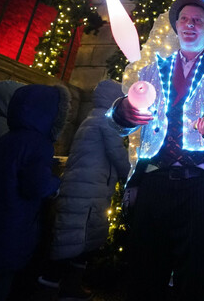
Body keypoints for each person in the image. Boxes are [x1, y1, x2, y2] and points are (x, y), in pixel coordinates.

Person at [107, 0, 204, 301]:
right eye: (184, 19)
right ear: (176, 26)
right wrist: (123, 111)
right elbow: (123, 120)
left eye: (197, 20)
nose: (189, 25)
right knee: (144, 277)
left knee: (196, 279)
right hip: (155, 184)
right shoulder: (151, 69)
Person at [37, 79, 130, 300]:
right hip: (87, 191)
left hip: (83, 187)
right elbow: (117, 154)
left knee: (77, 241)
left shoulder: (92, 118)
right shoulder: (106, 121)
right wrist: (132, 173)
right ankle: (50, 288)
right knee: (72, 242)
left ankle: (67, 287)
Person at [0, 84, 70, 301]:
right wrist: (56, 183)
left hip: (0, 216)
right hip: (13, 225)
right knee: (2, 284)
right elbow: (36, 186)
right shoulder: (39, 144)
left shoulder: (7, 139)